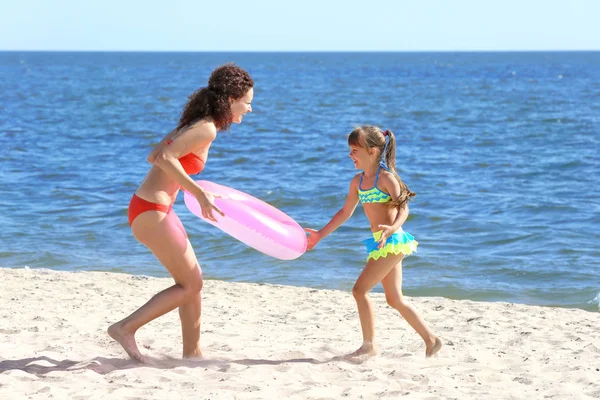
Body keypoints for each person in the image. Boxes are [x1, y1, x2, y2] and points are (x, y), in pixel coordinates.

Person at [108, 63, 254, 362]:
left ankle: (193, 352)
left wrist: (188, 186)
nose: (249, 110)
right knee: (192, 283)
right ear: (230, 100)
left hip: (149, 208)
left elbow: (155, 156)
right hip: (152, 211)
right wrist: (198, 192)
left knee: (192, 282)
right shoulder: (206, 128)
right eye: (247, 103)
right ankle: (125, 328)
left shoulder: (196, 122)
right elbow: (163, 158)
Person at [304, 125, 442, 358]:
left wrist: (391, 229)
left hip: (393, 240)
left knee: (359, 290)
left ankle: (369, 347)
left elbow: (403, 210)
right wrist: (320, 234)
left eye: (355, 150)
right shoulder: (357, 182)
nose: (351, 155)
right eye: (350, 150)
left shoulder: (387, 178)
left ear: (373, 151)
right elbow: (344, 212)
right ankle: (431, 339)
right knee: (394, 299)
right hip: (381, 243)